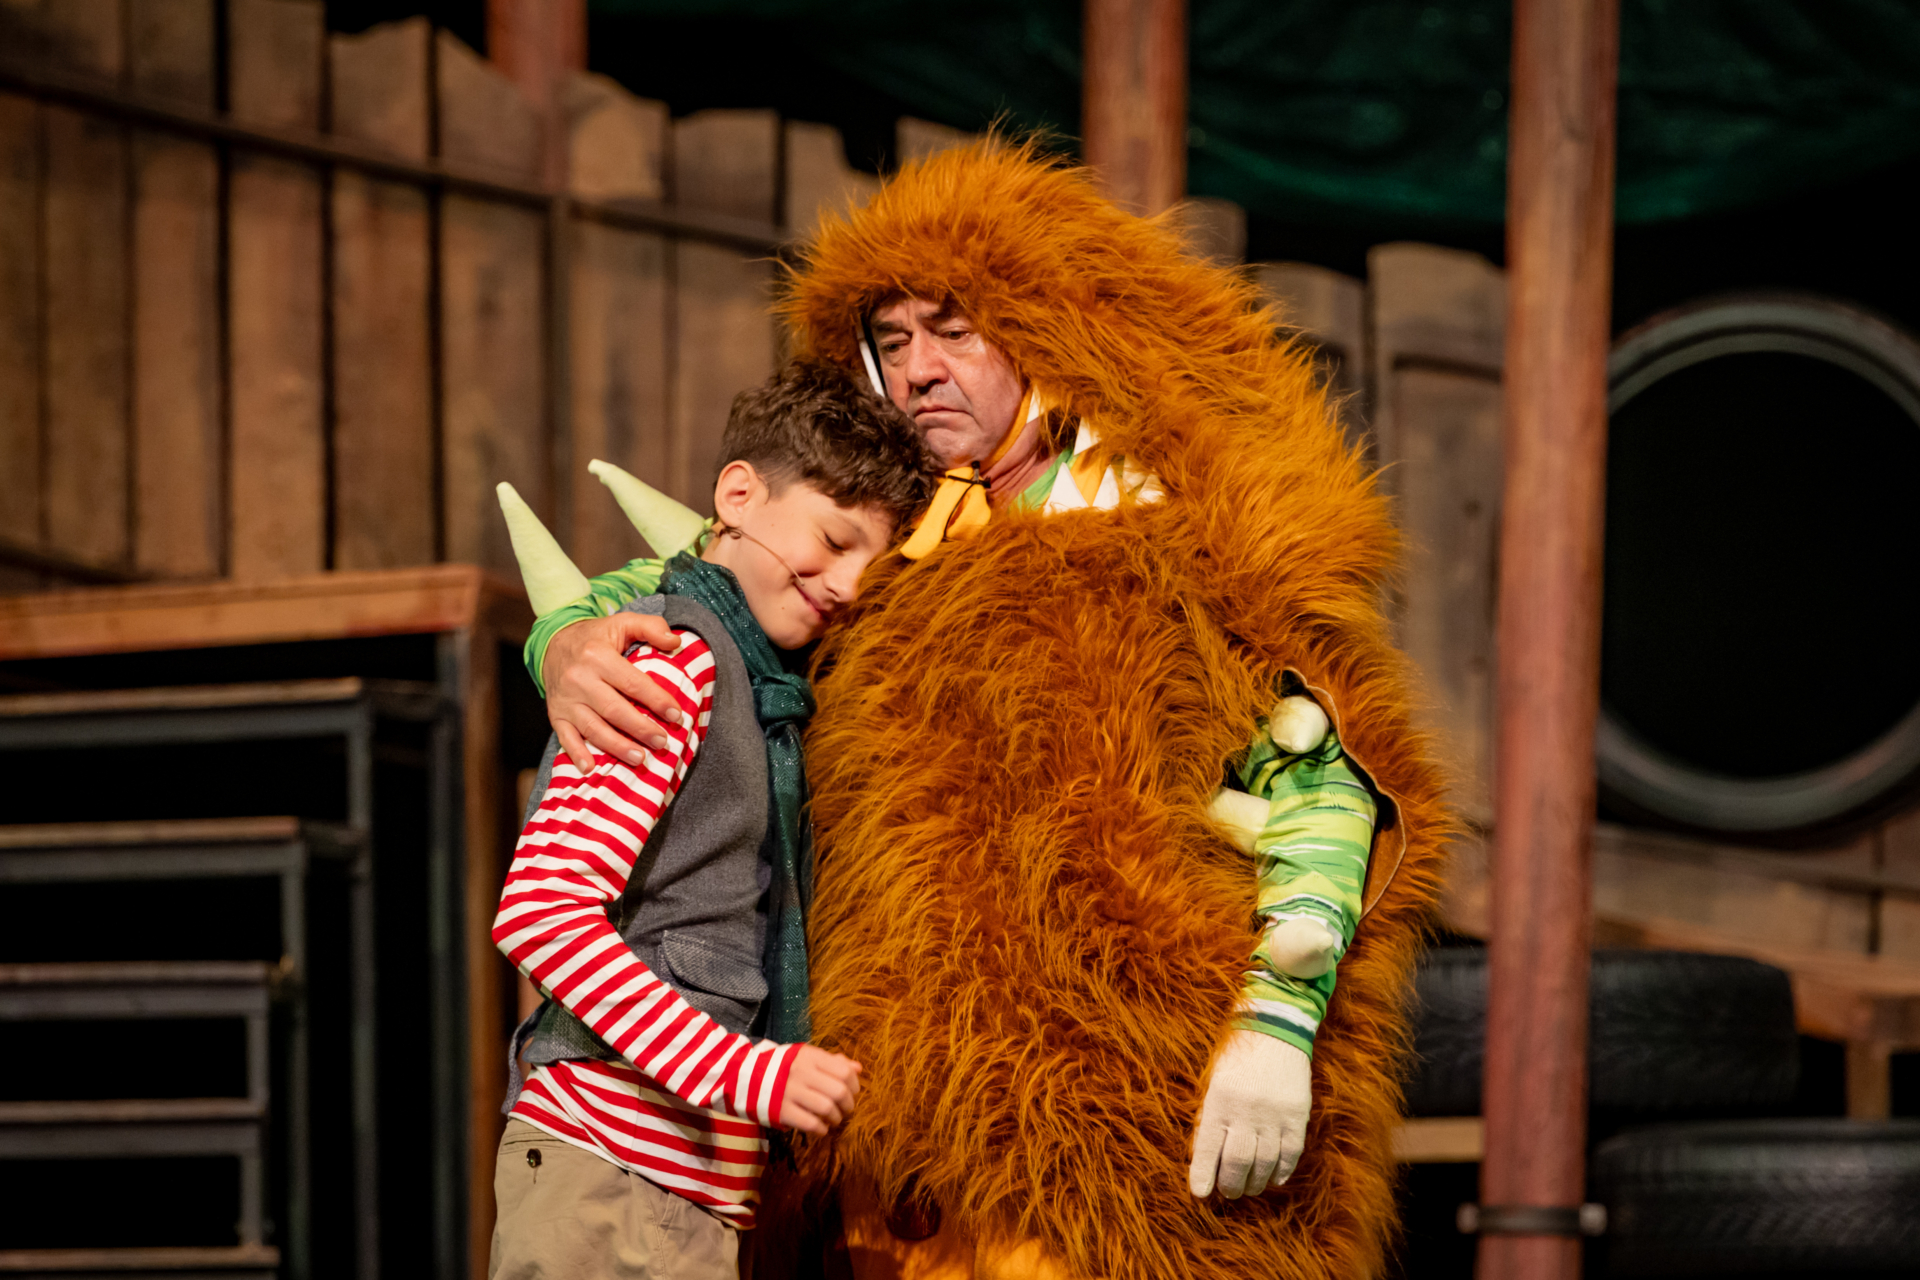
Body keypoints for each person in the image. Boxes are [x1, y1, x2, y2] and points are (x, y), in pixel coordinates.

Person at [523, 141, 1446, 1280]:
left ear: (1042, 327)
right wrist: (568, 641)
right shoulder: (867, 551)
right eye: (892, 338)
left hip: (1111, 1116)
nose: (919, 369)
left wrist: (1279, 1022)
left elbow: (1319, 770)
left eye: (955, 330)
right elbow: (705, 584)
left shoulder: (1185, 531)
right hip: (875, 1143)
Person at [487, 360, 936, 1280]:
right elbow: (541, 913)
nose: (849, 584)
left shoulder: (765, 694)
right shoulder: (673, 666)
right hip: (612, 1179)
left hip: (673, 1194)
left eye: (873, 564)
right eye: (833, 539)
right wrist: (753, 1074)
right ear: (738, 495)